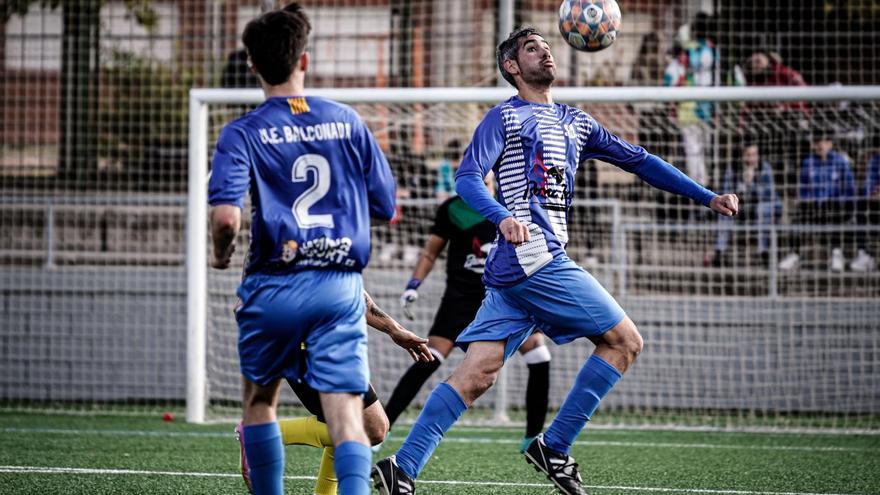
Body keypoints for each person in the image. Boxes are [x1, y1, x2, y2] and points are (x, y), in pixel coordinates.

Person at [372, 27, 738, 495]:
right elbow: (467, 178)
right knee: (625, 342)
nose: (545, 52)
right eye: (531, 47)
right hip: (534, 256)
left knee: (476, 374)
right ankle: (555, 446)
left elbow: (641, 161)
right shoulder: (503, 118)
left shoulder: (577, 122)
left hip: (513, 271)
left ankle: (400, 467)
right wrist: (502, 216)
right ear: (511, 67)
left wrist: (705, 197)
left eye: (547, 46)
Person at [208, 4, 398, 494]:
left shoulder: (242, 132)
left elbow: (227, 218)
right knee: (348, 417)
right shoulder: (347, 120)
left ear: (251, 65)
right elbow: (386, 204)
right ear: (304, 61)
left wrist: (222, 254)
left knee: (260, 404)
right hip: (338, 288)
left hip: (271, 285)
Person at [389, 174, 551, 453]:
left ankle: (533, 438)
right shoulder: (452, 208)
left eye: (486, 174)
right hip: (460, 298)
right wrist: (413, 285)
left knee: (538, 354)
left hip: (503, 297)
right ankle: (381, 426)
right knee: (429, 356)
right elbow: (430, 254)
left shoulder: (511, 206)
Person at [236, 292, 433, 495]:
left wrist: (394, 329)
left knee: (349, 419)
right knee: (373, 428)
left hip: (338, 342)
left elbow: (351, 288)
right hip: (305, 343)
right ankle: (259, 434)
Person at [778, 129, 856, 272]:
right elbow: (803, 189)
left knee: (833, 210)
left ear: (830, 144)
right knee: (798, 217)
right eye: (817, 142)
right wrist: (804, 200)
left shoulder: (840, 162)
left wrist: (840, 201)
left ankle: (836, 254)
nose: (820, 146)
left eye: (824, 142)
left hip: (836, 206)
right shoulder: (808, 163)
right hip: (814, 207)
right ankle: (794, 255)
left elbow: (849, 189)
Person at [663, 12, 717, 186]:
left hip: (689, 109)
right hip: (709, 107)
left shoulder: (687, 51)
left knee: (694, 150)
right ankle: (709, 182)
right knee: (708, 148)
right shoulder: (714, 50)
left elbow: (671, 78)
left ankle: (701, 186)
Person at [713, 141, 782, 267]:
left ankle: (764, 252)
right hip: (741, 205)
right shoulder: (734, 168)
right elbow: (726, 191)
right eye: (748, 155)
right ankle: (720, 251)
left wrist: (752, 184)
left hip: (760, 204)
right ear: (742, 156)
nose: (752, 158)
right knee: (724, 211)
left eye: (754, 154)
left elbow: (769, 194)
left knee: (763, 209)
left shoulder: (764, 168)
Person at [850, 150, 879, 271]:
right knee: (860, 201)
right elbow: (869, 183)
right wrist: (872, 193)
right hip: (875, 203)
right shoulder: (875, 160)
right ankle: (865, 254)